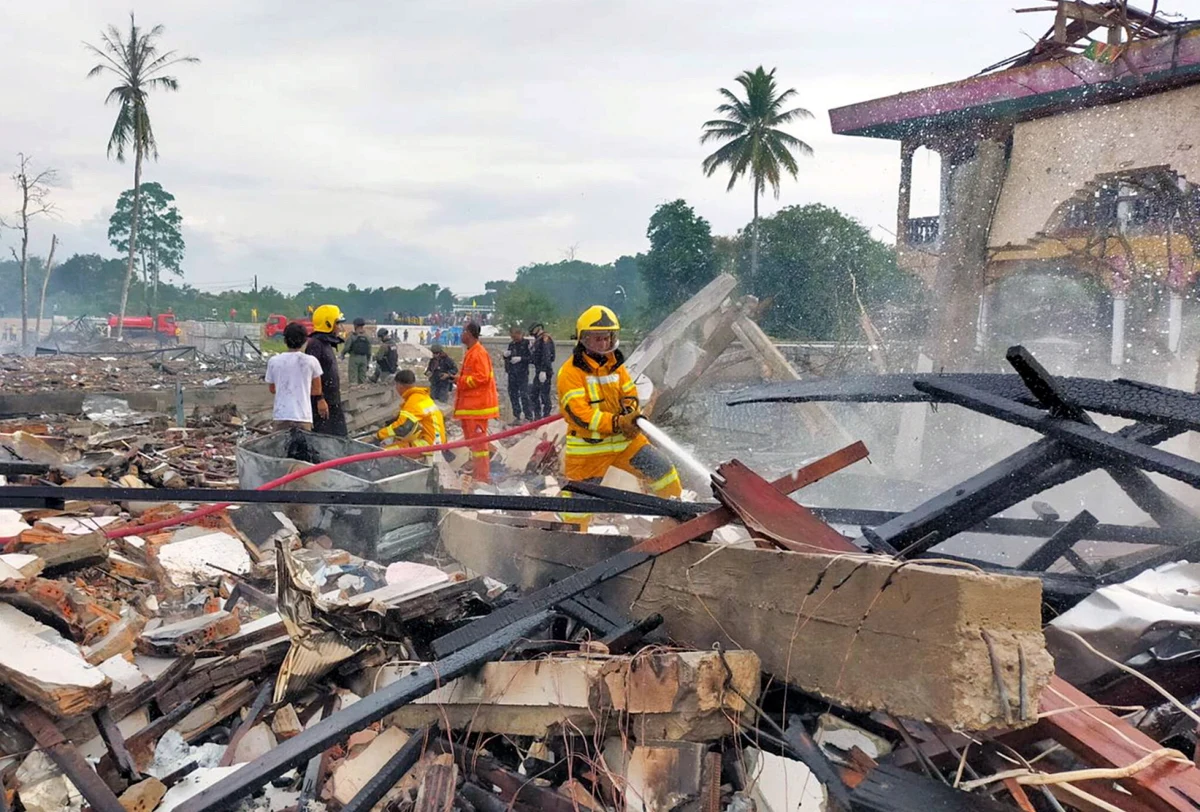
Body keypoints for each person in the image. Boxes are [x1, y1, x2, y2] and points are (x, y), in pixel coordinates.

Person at [558, 305, 681, 526]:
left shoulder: (616, 366)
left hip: (625, 443)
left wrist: (629, 412)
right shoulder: (570, 373)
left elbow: (629, 392)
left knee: (664, 471)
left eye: (607, 338)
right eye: (598, 339)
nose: (604, 344)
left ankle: (678, 522)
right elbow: (582, 415)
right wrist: (617, 422)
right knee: (578, 506)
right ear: (583, 339)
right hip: (589, 450)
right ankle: (573, 544)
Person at [454, 322, 499, 483]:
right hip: (471, 407)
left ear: (470, 333)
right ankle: (478, 473)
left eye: (463, 331)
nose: (461, 334)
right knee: (474, 444)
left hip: (477, 407)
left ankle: (482, 477)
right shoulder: (471, 352)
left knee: (479, 446)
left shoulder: (478, 353)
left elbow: (482, 377)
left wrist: (460, 380)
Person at [375, 369, 446, 459]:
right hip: (436, 439)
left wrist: (379, 435)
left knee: (383, 453)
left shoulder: (413, 401)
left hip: (429, 443)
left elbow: (402, 427)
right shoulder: (419, 397)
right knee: (398, 442)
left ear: (399, 385)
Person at [265, 322, 323, 431]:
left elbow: (272, 389)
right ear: (305, 340)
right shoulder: (311, 361)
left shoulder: (274, 361)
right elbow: (317, 390)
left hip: (281, 415)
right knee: (303, 447)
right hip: (303, 416)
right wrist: (302, 389)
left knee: (281, 446)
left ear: (285, 340)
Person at [306, 304, 348, 436]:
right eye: (337, 323)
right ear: (328, 324)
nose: (339, 327)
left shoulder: (325, 343)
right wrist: (320, 399)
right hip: (323, 402)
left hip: (332, 400)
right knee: (325, 436)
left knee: (339, 435)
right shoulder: (316, 345)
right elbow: (311, 375)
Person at [502, 325, 533, 424]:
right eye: (512, 336)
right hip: (512, 373)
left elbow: (531, 358)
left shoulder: (526, 344)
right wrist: (505, 356)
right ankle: (517, 415)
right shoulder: (512, 344)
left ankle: (528, 416)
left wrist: (521, 358)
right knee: (513, 394)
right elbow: (509, 358)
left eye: (515, 335)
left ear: (520, 334)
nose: (514, 338)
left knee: (524, 394)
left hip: (522, 373)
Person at [529, 323, 556, 419]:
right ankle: (538, 416)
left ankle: (546, 416)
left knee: (544, 394)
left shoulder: (545, 339)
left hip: (544, 371)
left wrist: (544, 370)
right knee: (534, 394)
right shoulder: (538, 340)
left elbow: (547, 355)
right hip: (539, 370)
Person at [343, 317, 372, 385]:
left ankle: (354, 393)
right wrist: (367, 361)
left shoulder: (352, 335)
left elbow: (347, 347)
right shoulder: (366, 336)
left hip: (354, 358)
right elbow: (369, 351)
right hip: (364, 358)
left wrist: (342, 354)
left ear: (355, 325)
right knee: (362, 379)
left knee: (353, 379)